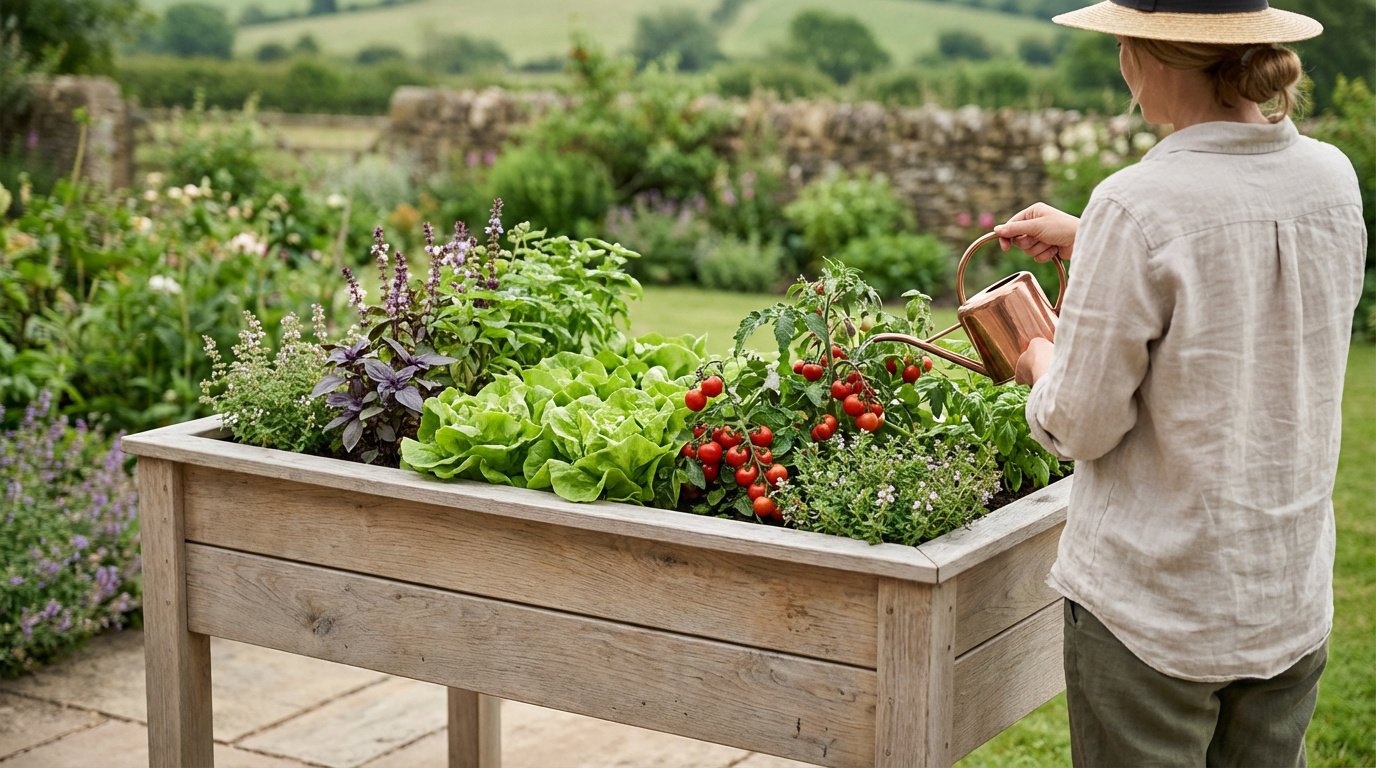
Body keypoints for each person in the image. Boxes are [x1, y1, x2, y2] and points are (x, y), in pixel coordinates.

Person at [991, 1, 1367, 765]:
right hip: (1286, 592)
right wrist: (1097, 236)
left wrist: (1038, 360)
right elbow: (1235, 261)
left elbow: (1080, 424)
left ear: (1150, 56)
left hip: (1156, 609)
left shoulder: (1137, 205)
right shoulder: (1331, 178)